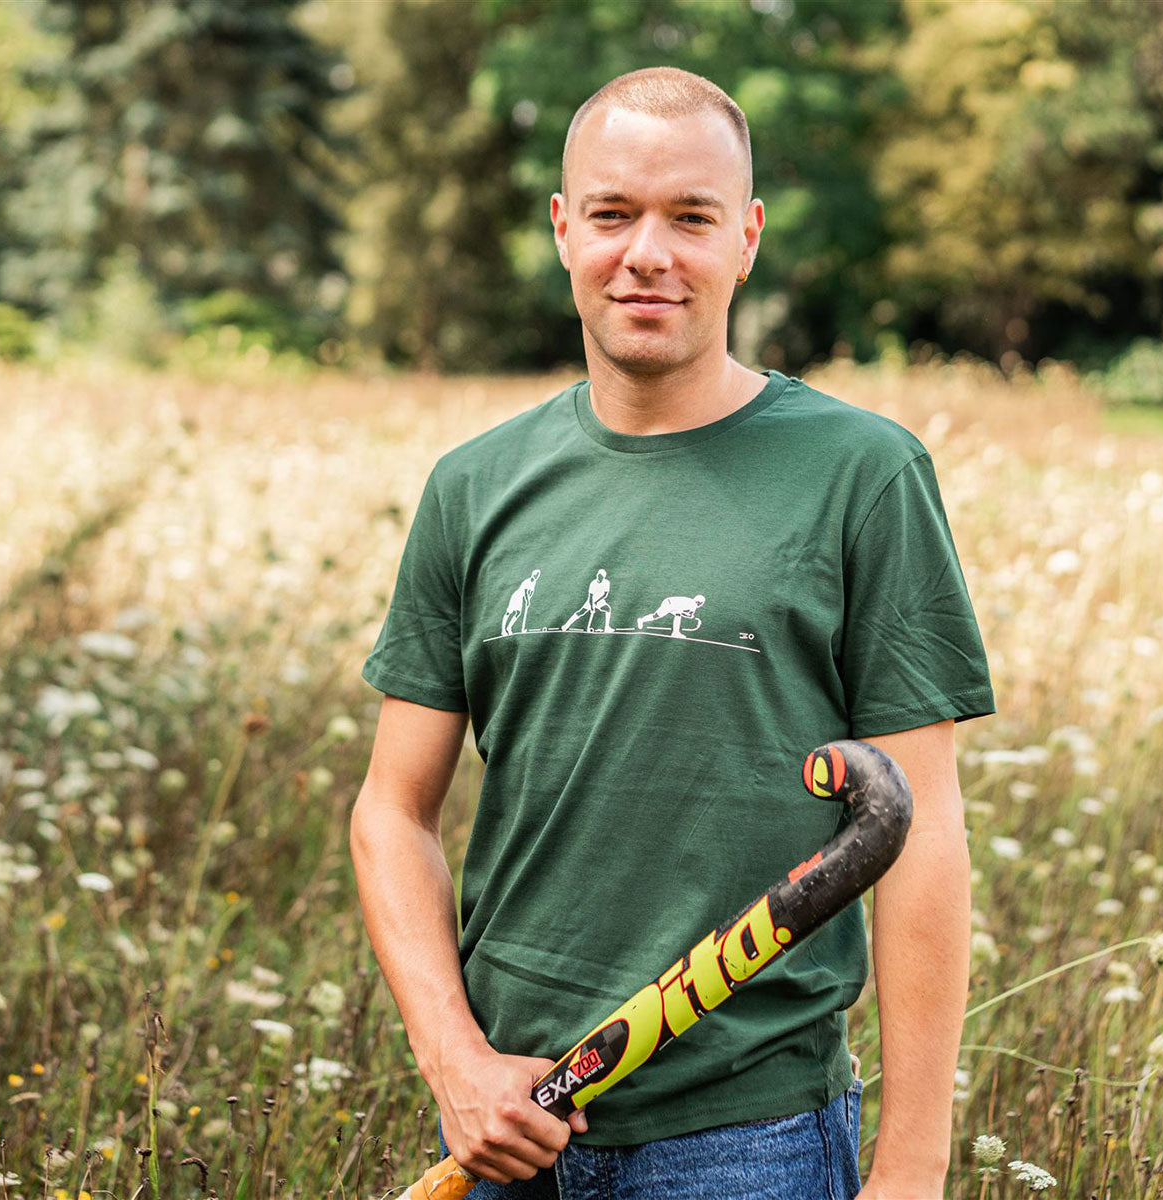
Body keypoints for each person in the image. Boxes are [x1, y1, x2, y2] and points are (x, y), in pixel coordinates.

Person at [351, 66, 994, 1200]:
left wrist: (913, 1164)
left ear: (745, 240)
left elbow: (923, 824)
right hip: (507, 1123)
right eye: (613, 213)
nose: (648, 251)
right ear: (564, 231)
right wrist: (454, 1059)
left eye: (690, 217)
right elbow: (392, 810)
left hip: (750, 1140)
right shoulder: (475, 486)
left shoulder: (862, 474)